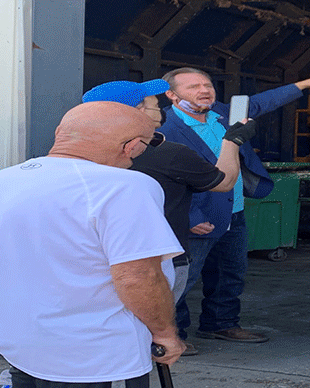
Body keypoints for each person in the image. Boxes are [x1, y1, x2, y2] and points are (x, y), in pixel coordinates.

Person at [0, 102, 186, 387]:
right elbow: (138, 276)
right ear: (131, 146)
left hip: (21, 342)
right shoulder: (125, 186)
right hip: (96, 354)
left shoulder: (0, 182)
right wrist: (165, 332)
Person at [159, 67, 310, 343]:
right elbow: (165, 177)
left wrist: (309, 82)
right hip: (197, 216)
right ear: (172, 95)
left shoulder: (223, 113)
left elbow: (262, 102)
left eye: (207, 85)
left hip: (234, 211)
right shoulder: (165, 127)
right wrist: (191, 216)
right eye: (193, 87)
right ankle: (173, 335)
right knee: (182, 279)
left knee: (230, 274)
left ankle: (220, 323)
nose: (204, 90)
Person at [81, 79, 256, 356]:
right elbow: (223, 181)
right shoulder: (167, 153)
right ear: (134, 113)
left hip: (100, 256)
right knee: (147, 324)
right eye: (152, 105)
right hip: (162, 256)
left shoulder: (81, 153)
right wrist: (233, 140)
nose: (160, 109)